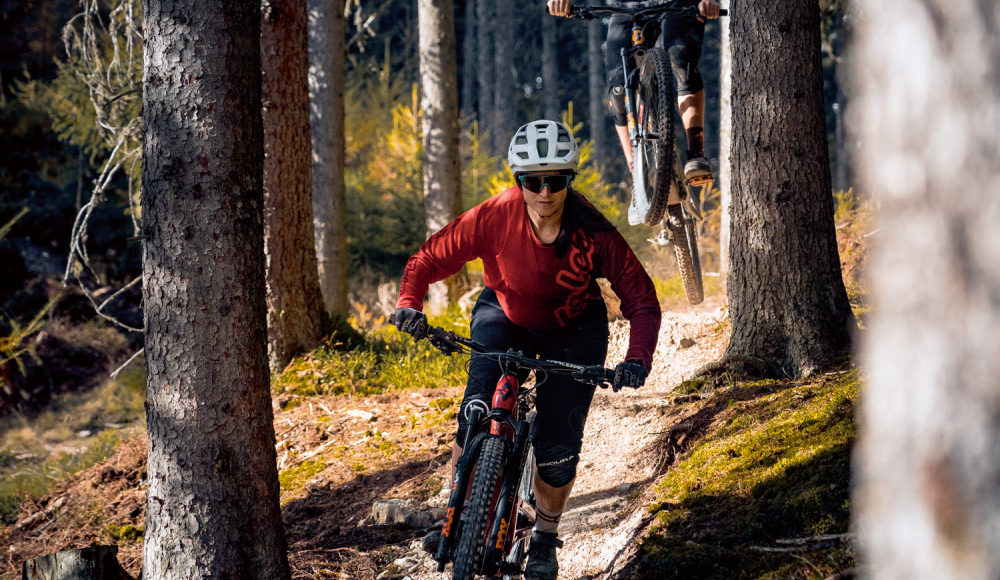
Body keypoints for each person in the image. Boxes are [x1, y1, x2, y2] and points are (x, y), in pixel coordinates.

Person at [393, 120, 661, 580]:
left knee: (558, 448)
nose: (543, 191)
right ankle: (456, 515)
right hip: (504, 315)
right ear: (518, 181)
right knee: (476, 410)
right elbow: (428, 259)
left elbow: (642, 300)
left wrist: (637, 359)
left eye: (554, 180)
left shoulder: (594, 231)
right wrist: (407, 304)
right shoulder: (495, 215)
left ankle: (544, 538)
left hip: (575, 329)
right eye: (531, 181)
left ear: (568, 181)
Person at [547, 0, 721, 186]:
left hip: (676, 4)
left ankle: (696, 155)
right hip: (625, 7)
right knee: (617, 89)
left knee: (681, 64)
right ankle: (637, 174)